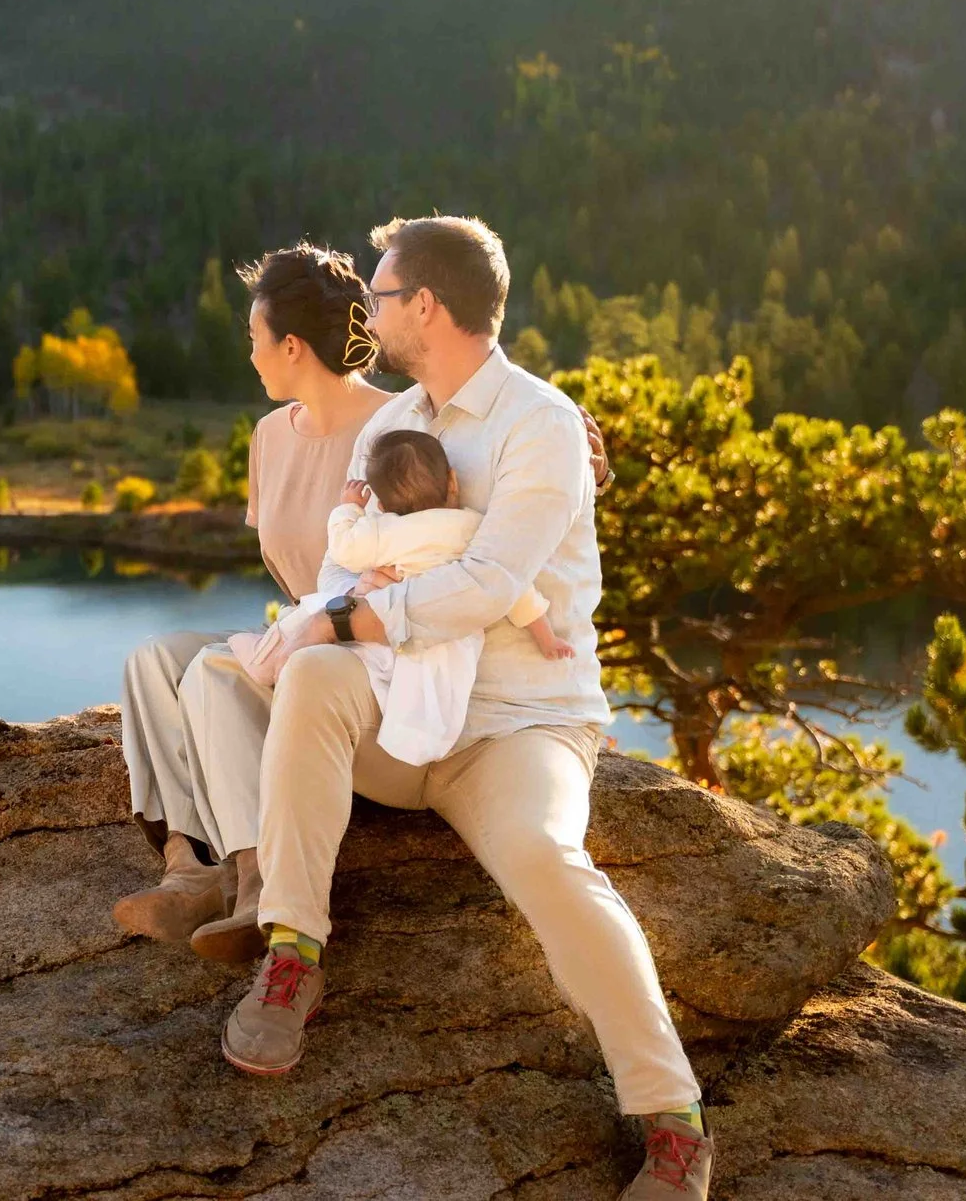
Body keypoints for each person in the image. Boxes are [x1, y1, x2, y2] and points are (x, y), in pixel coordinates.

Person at [221, 215, 712, 1201]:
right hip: (403, 715)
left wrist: (352, 616)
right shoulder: (388, 422)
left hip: (517, 722)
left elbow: (489, 583)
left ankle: (674, 1121)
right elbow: (337, 560)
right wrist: (328, 622)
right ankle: (291, 954)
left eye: (383, 293)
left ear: (427, 307)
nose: (370, 308)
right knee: (313, 676)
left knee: (542, 855)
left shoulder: (539, 425)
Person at [113, 244, 611, 963]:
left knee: (209, 674)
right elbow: (301, 572)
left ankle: (256, 880)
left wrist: (592, 471)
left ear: (290, 344)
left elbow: (471, 536)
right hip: (314, 616)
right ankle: (190, 863)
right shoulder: (267, 436)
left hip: (368, 638)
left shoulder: (399, 426)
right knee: (154, 661)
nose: (248, 356)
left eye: (254, 340)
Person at [236, 429, 571, 767]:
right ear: (452, 482)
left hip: (379, 620)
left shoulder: (387, 531)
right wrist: (547, 637)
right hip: (447, 637)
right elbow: (512, 586)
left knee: (307, 618)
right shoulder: (476, 529)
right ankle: (402, 749)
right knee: (421, 696)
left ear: (381, 505)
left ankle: (268, 661)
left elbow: (345, 549)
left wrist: (347, 508)